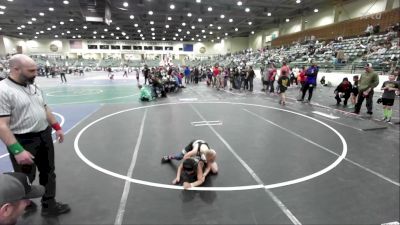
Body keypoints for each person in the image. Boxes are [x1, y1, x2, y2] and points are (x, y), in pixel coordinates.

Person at [0, 54, 70, 216]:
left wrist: (57, 127)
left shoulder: (33, 86)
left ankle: (49, 205)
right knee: (25, 176)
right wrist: (17, 150)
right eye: (31, 70)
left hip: (44, 136)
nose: (36, 73)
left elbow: (44, 108)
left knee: (48, 172)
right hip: (23, 140)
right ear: (15, 69)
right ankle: (22, 204)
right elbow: (2, 125)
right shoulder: (3, 90)